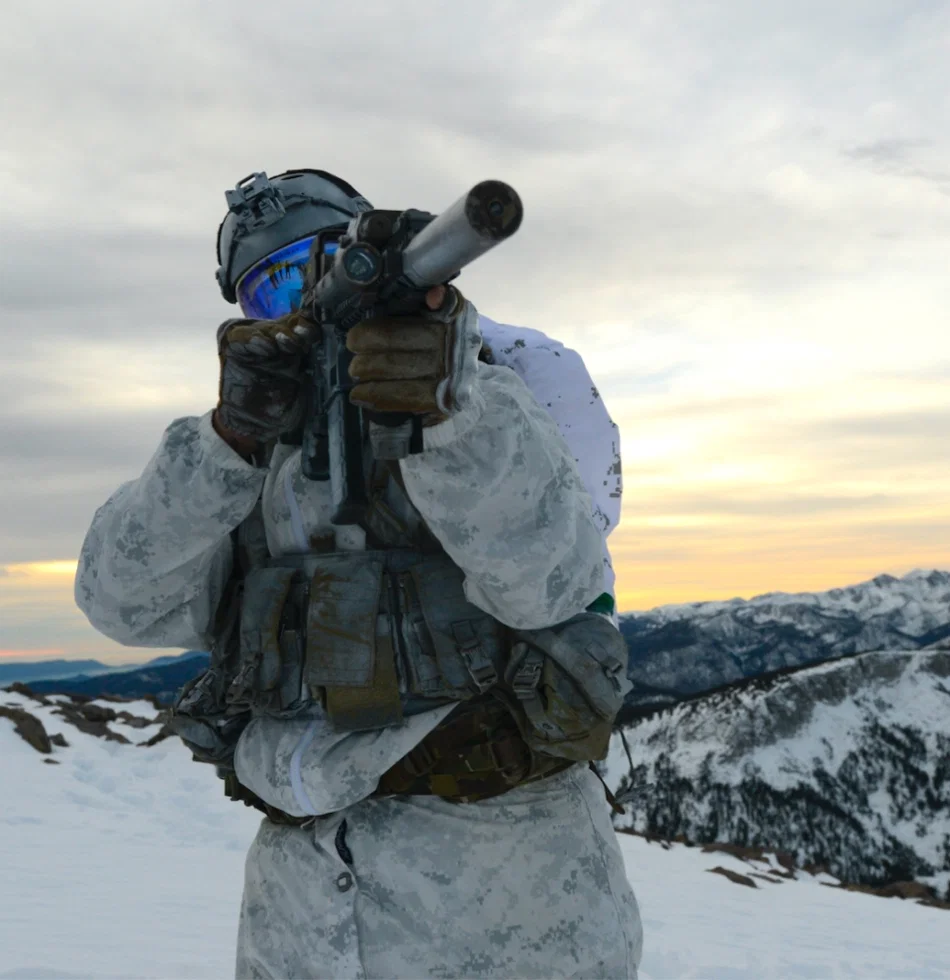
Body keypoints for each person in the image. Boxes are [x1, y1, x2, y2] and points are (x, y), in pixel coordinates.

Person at [75, 169, 643, 979]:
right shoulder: (243, 455)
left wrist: (447, 416)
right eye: (266, 290)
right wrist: (227, 441)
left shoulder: (490, 402)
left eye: (317, 264)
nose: (301, 302)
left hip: (504, 899)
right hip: (298, 906)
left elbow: (550, 582)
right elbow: (120, 603)